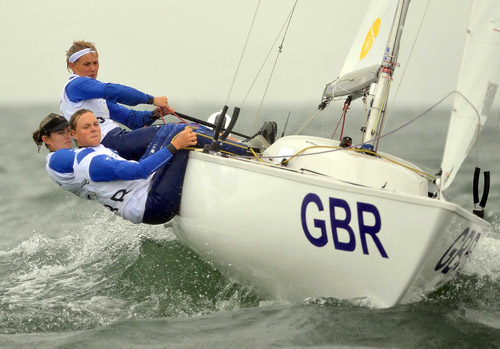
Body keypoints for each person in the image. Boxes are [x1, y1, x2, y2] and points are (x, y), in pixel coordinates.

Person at [61, 40, 174, 161]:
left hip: (115, 143)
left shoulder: (94, 96)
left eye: (95, 63)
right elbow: (115, 91)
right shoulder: (75, 85)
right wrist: (152, 100)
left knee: (177, 138)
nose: (93, 68)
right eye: (87, 64)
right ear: (72, 65)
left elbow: (131, 120)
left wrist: (154, 114)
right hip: (111, 143)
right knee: (176, 131)